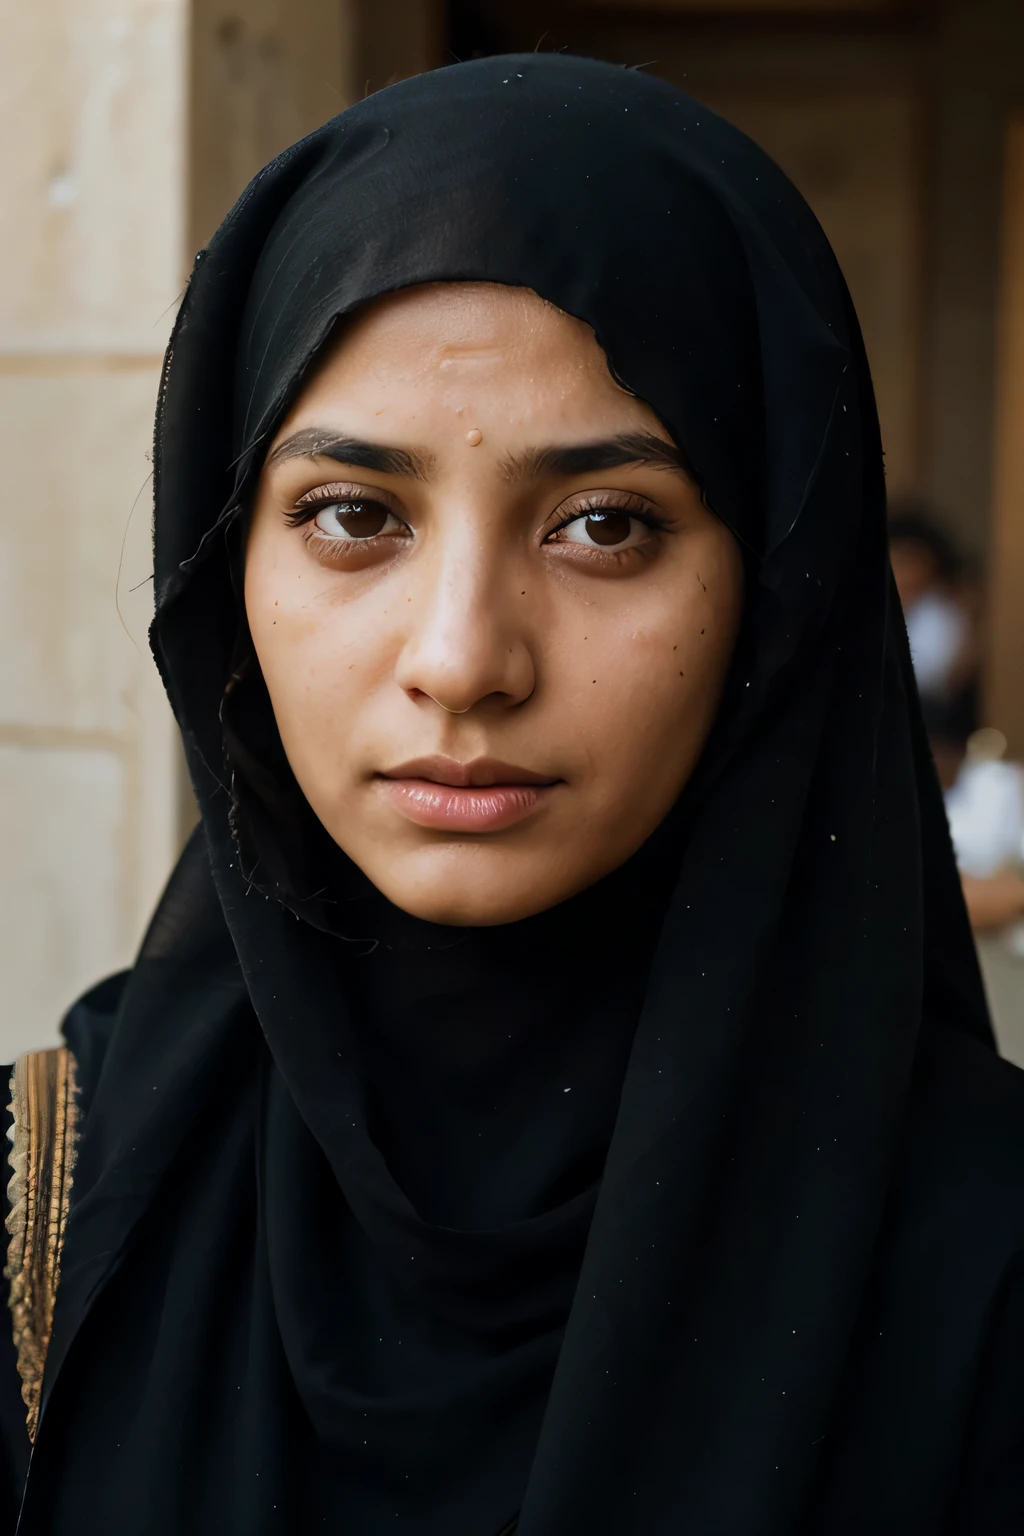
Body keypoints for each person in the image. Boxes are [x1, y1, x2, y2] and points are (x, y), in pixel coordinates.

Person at [3, 54, 1024, 1536]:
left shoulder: (984, 1270)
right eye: (354, 515)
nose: (463, 659)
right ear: (229, 577)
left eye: (606, 524)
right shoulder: (49, 1216)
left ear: (776, 603)